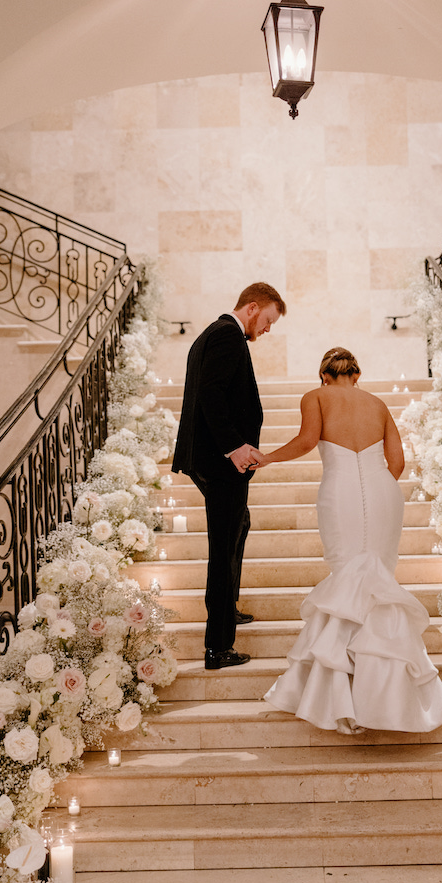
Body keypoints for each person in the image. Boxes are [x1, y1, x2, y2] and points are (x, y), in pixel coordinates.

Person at [256, 347, 442, 733]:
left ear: (324, 376)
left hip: (341, 491)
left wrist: (266, 458)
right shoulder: (378, 403)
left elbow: (306, 440)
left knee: (348, 580)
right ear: (357, 375)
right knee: (378, 583)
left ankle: (342, 696)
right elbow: (396, 462)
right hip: (384, 491)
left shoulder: (315, 397)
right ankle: (388, 699)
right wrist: (377, 484)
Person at [172, 283, 286, 670]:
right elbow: (211, 395)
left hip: (210, 459)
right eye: (268, 320)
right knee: (222, 548)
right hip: (221, 462)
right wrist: (234, 446)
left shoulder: (212, 334)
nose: (267, 330)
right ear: (252, 308)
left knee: (240, 525)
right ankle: (218, 647)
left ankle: (227, 610)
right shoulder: (227, 335)